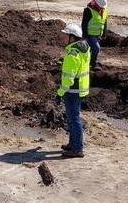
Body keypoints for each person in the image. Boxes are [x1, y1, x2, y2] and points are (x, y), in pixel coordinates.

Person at [56, 23, 91, 158]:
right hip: (80, 89)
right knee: (73, 118)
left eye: (66, 35)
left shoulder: (72, 55)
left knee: (74, 119)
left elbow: (68, 80)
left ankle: (77, 148)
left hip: (72, 91)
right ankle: (73, 143)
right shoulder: (84, 49)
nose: (63, 38)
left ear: (72, 38)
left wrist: (60, 93)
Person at [82, 0, 108, 71]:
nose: (102, 8)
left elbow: (105, 22)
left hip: (98, 34)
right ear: (96, 4)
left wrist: (104, 33)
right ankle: (94, 64)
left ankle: (87, 63)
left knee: (91, 49)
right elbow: (84, 23)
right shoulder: (88, 10)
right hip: (90, 34)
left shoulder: (104, 10)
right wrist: (84, 35)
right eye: (100, 7)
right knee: (96, 48)